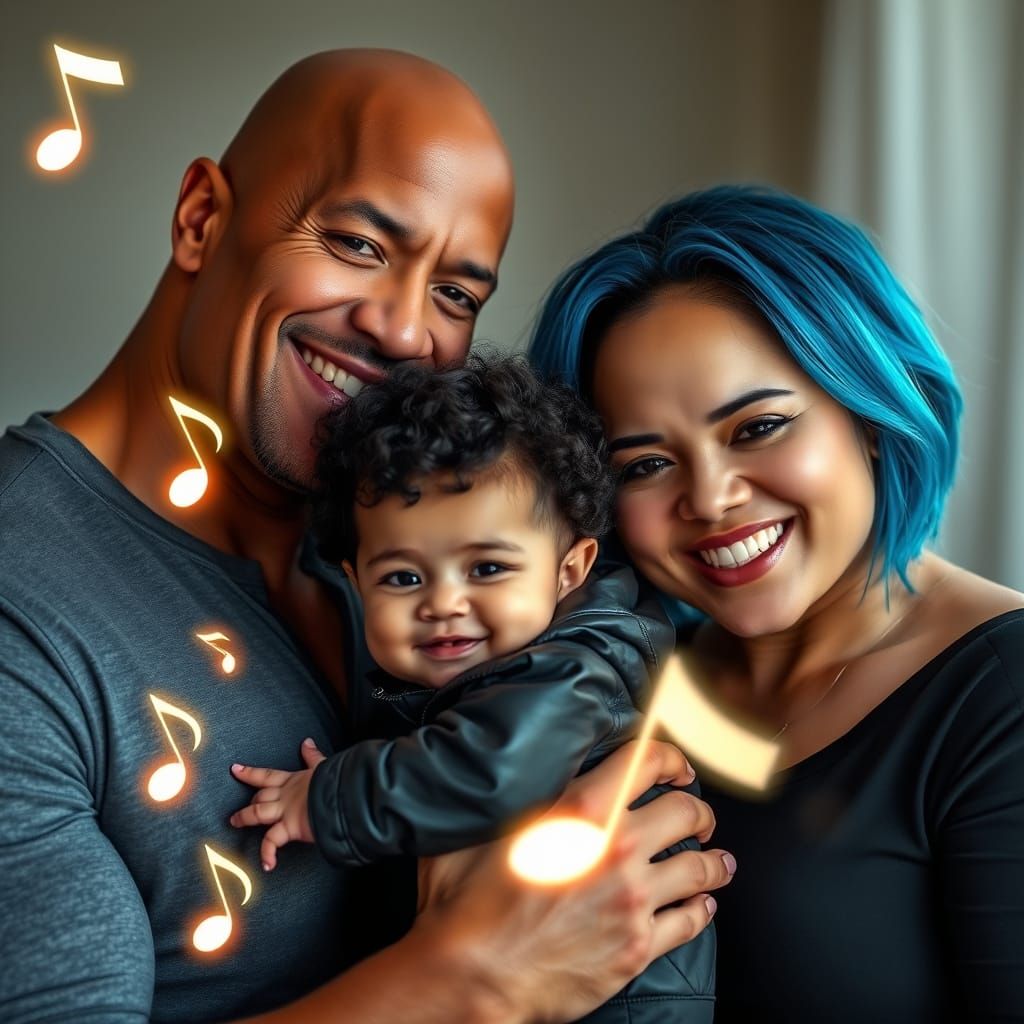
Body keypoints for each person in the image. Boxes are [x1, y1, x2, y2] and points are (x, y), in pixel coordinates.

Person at [0, 51, 733, 1023]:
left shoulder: (442, 517)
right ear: (200, 219)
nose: (403, 331)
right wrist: (473, 978)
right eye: (357, 243)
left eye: (457, 296)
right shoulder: (26, 607)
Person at [529, 184, 1024, 1022]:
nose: (712, 499)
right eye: (645, 464)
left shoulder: (1001, 690)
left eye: (757, 427)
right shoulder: (620, 687)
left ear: (869, 407)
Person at [227, 354, 718, 1022]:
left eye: (486, 567)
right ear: (354, 580)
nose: (444, 604)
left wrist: (330, 796)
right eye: (403, 578)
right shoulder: (488, 667)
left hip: (625, 998)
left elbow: (490, 771)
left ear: (570, 569)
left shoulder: (573, 669)